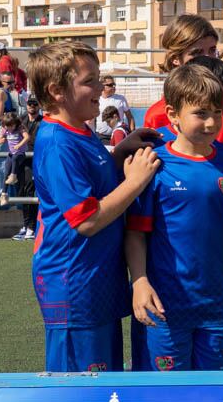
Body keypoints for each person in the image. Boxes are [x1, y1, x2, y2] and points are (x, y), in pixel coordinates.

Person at [28, 40, 160, 373]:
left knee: (104, 381)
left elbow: (94, 181)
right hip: (73, 281)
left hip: (94, 278)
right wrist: (134, 182)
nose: (100, 88)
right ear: (57, 91)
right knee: (78, 394)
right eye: (90, 81)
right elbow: (86, 220)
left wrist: (119, 154)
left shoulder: (79, 130)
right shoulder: (58, 141)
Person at [126, 63, 223, 372]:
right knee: (162, 398)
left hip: (214, 306)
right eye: (201, 113)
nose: (211, 123)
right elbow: (137, 232)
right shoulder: (154, 163)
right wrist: (140, 282)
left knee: (212, 397)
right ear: (172, 115)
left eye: (218, 113)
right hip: (163, 304)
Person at [144, 16, 223, 154]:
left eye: (212, 50)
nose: (207, 58)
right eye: (196, 52)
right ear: (175, 59)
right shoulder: (157, 115)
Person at [13, 97, 42, 241]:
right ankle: (26, 225)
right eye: (30, 104)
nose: (32, 106)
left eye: (35, 104)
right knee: (22, 192)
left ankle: (32, 227)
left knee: (30, 192)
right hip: (21, 160)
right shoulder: (21, 120)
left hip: (35, 160)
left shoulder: (43, 121)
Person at [0, 112, 30, 207]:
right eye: (8, 126)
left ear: (15, 124)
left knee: (15, 158)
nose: (10, 128)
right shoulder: (5, 129)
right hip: (11, 154)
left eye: (12, 126)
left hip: (20, 154)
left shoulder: (20, 128)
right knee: (6, 173)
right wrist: (1, 141)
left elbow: (27, 137)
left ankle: (14, 176)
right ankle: (4, 194)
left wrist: (19, 145)